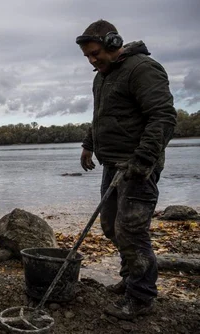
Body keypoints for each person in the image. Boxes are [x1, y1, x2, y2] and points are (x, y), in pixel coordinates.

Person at [76, 19, 177, 320]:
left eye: (95, 54)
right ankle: (130, 276)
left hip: (138, 168)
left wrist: (143, 159)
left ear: (112, 43)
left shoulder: (142, 69)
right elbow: (101, 116)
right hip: (112, 164)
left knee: (132, 232)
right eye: (88, 57)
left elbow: (163, 117)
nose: (93, 61)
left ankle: (141, 297)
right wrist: (88, 144)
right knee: (110, 227)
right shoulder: (102, 76)